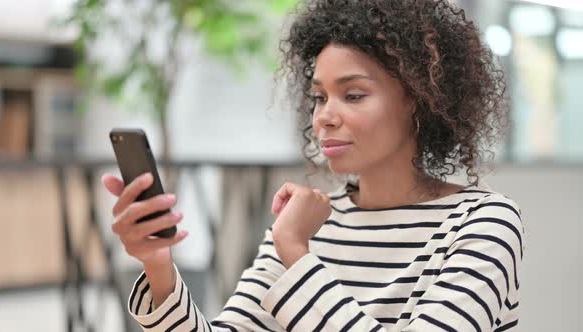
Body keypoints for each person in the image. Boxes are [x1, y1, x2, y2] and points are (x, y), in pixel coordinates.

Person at [101, 0, 524, 330]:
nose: (324, 116)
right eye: (320, 97)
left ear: (417, 99)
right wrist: (158, 264)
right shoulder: (308, 223)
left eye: (353, 95)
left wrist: (296, 253)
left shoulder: (482, 224)